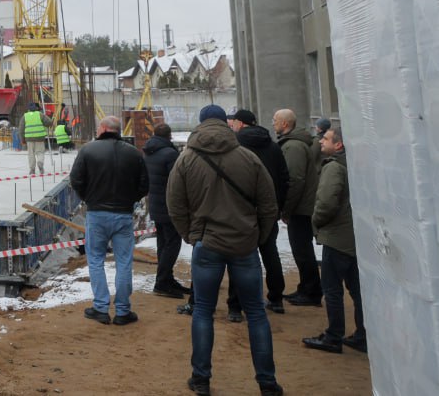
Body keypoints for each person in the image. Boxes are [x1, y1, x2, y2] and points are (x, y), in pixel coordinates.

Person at [167, 104, 282, 396]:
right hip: (244, 243)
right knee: (256, 313)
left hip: (207, 243)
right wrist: (258, 237)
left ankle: (201, 379)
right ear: (226, 124)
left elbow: (175, 205)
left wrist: (191, 235)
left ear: (201, 124)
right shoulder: (248, 158)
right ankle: (267, 382)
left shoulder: (186, 159)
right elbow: (269, 205)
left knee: (203, 311)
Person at [70, 116, 150, 326]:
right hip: (123, 215)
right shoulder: (134, 153)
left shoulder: (88, 150)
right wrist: (130, 200)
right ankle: (123, 311)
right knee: (124, 262)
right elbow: (144, 185)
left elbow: (76, 180)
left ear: (104, 129)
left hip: (97, 214)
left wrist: (89, 198)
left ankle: (100, 307)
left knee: (96, 260)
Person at [303, 124, 366, 354]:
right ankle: (363, 334)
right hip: (352, 236)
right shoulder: (355, 163)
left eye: (326, 139)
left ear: (338, 144)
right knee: (358, 289)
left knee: (332, 289)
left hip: (337, 236)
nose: (321, 141)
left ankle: (333, 336)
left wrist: (317, 221)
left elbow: (327, 203)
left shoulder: (334, 168)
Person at [225, 109, 289, 319]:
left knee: (239, 257)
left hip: (241, 212)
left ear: (241, 125)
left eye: (234, 122)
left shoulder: (234, 147)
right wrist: (278, 206)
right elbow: (284, 178)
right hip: (269, 211)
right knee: (270, 254)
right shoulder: (273, 146)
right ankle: (277, 298)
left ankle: (235, 307)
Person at [272, 108, 323, 306]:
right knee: (301, 250)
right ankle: (306, 287)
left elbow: (294, 180)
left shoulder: (293, 147)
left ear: (285, 124)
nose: (273, 123)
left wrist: (287, 208)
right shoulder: (295, 143)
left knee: (302, 250)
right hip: (303, 206)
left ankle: (311, 291)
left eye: (276, 120)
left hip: (302, 208)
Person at [143, 123, 186, 298]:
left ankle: (167, 278)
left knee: (163, 243)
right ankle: (162, 282)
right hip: (169, 206)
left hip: (155, 204)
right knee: (173, 243)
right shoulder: (170, 154)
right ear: (169, 136)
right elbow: (177, 181)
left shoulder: (148, 152)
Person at [22, 102, 53, 175]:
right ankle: (40, 162)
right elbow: (49, 122)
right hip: (40, 138)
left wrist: (22, 139)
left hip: (29, 139)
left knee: (31, 154)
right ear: (36, 108)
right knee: (40, 152)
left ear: (28, 109)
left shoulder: (25, 116)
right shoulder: (40, 114)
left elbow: (21, 129)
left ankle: (32, 169)